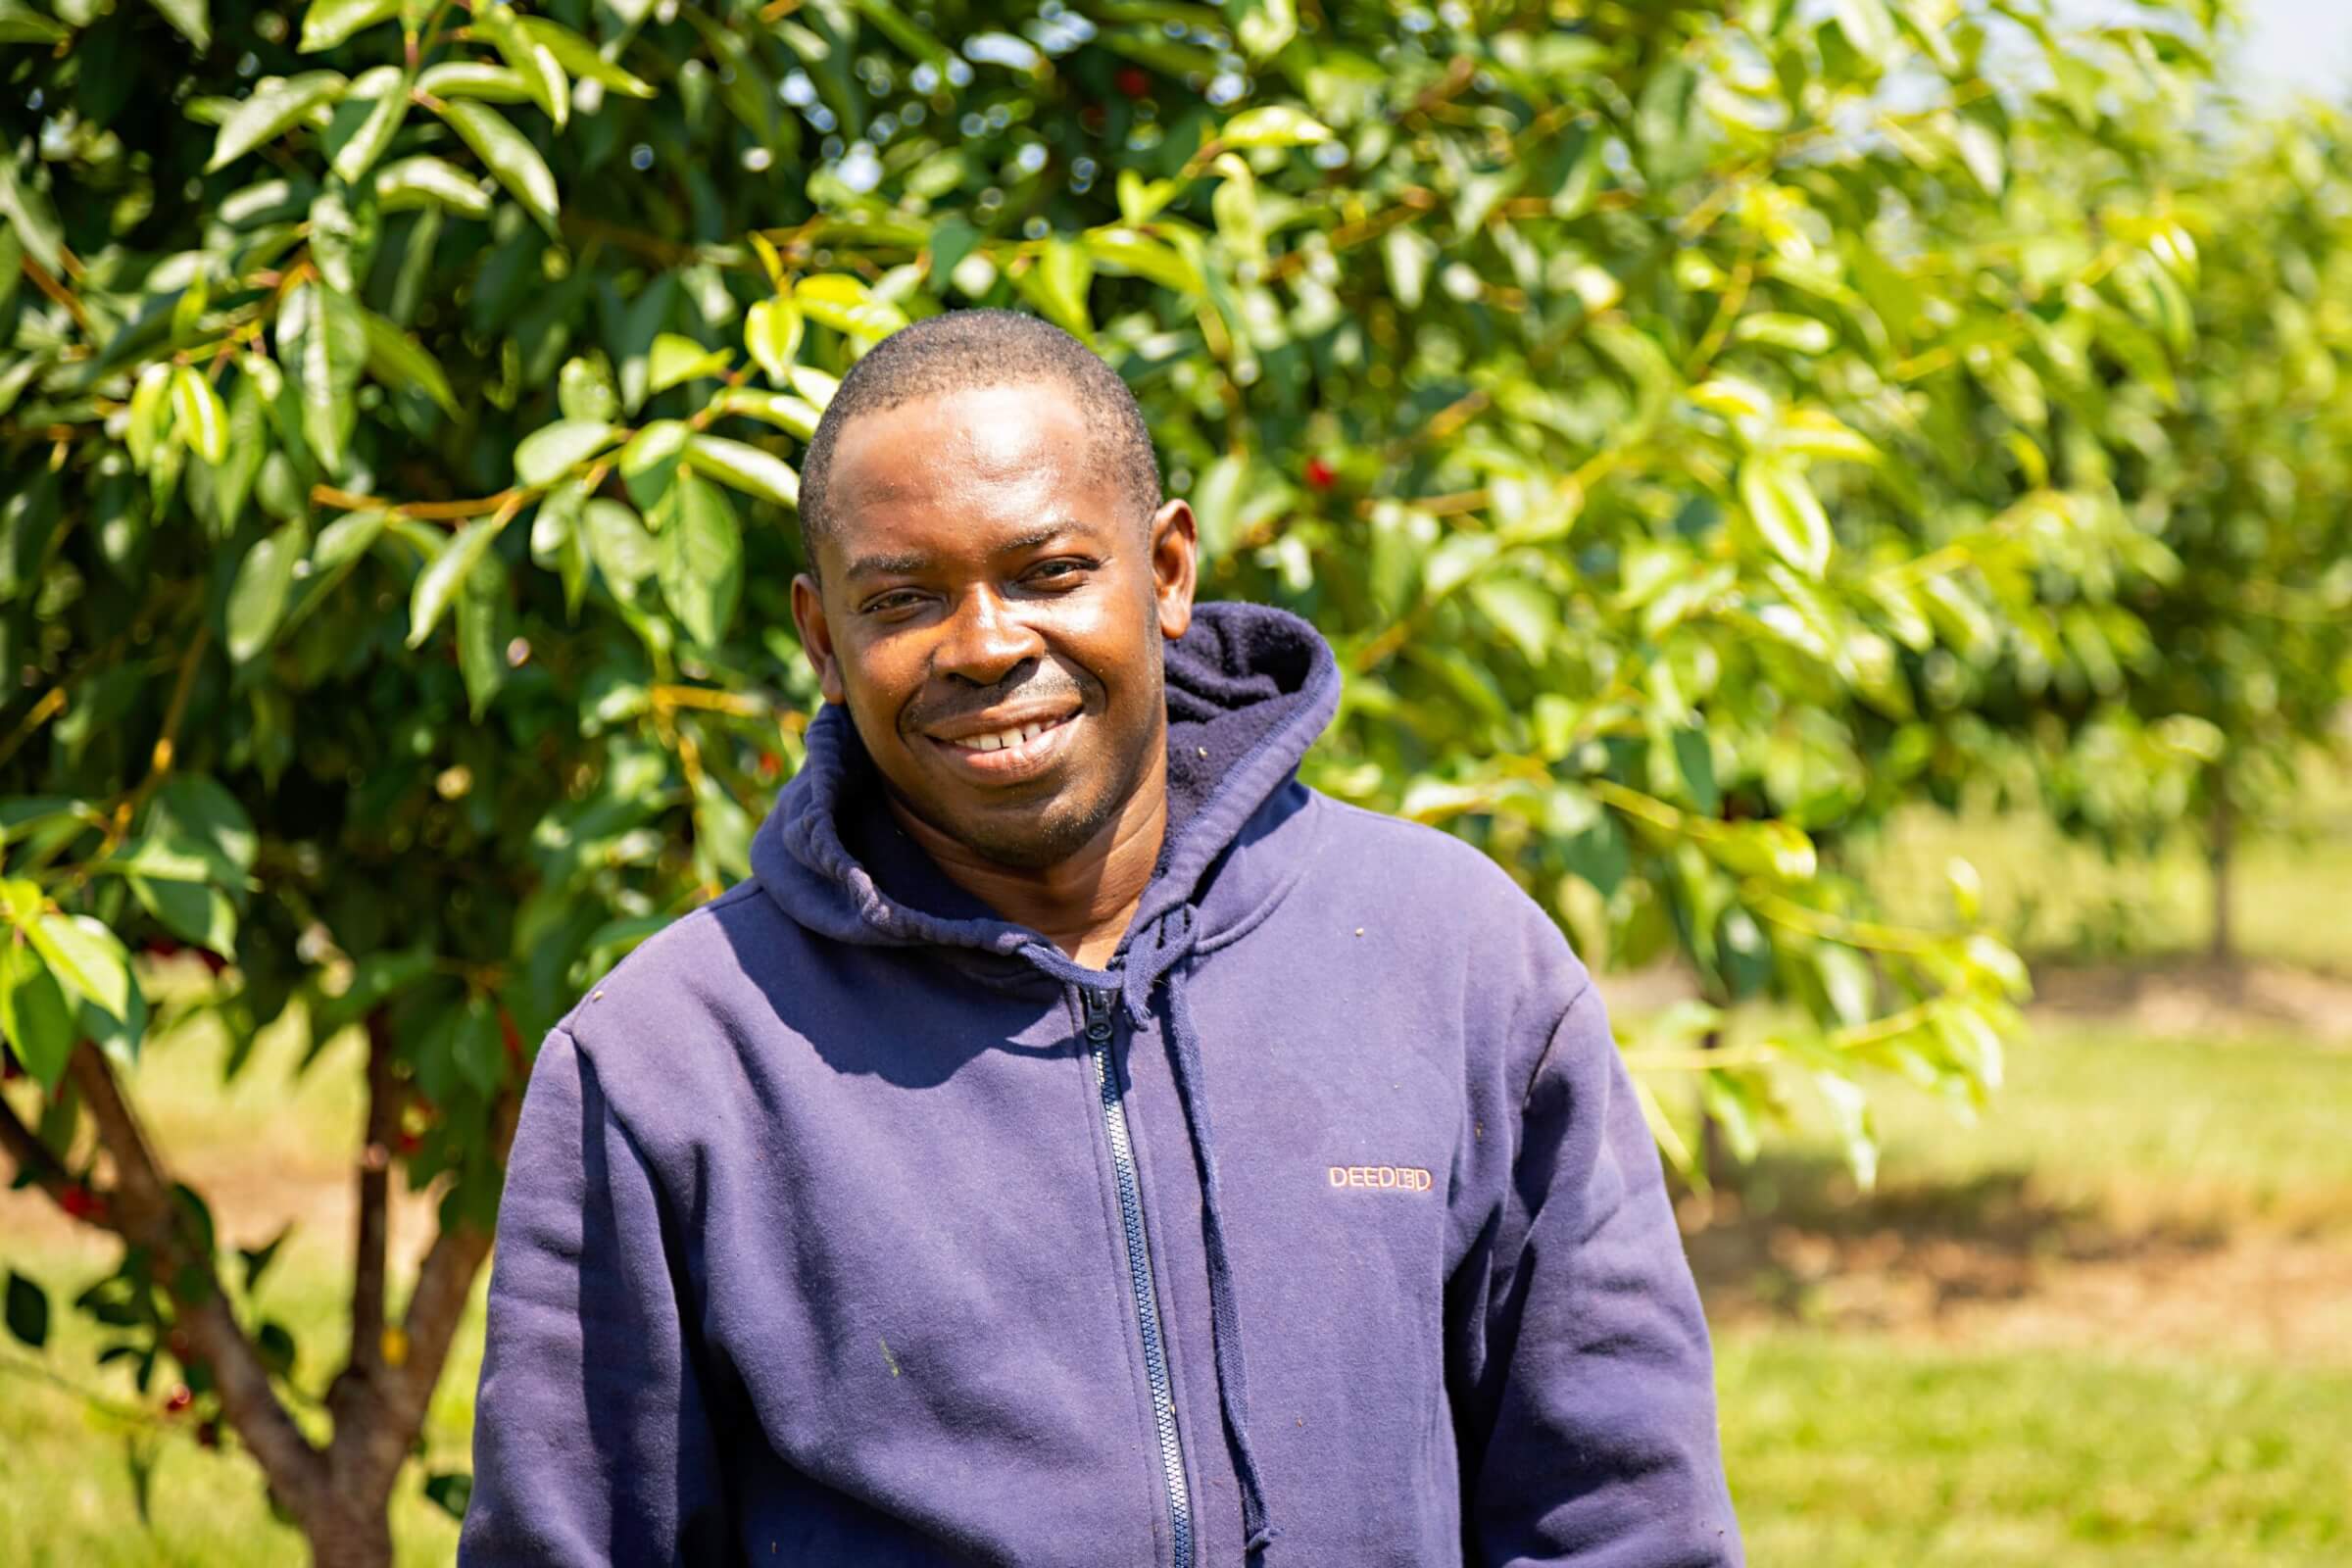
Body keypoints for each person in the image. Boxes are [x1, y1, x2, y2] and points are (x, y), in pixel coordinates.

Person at [461, 310, 1742, 1566]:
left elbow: (1620, 1513)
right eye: (903, 599)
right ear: (822, 641)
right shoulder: (667, 1065)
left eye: (1049, 574)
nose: (985, 644)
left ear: (1168, 570)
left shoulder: (1453, 958)